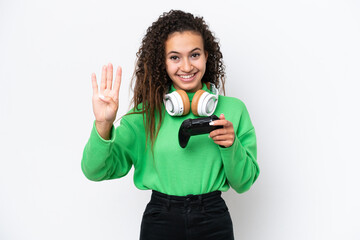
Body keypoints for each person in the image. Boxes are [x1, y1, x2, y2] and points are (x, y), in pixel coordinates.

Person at [82, 10, 259, 240]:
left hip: (214, 219)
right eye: (175, 57)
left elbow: (244, 182)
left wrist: (231, 145)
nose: (186, 67)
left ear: (207, 55)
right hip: (161, 221)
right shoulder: (143, 115)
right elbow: (94, 171)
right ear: (162, 62)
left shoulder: (234, 110)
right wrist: (103, 123)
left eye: (194, 55)